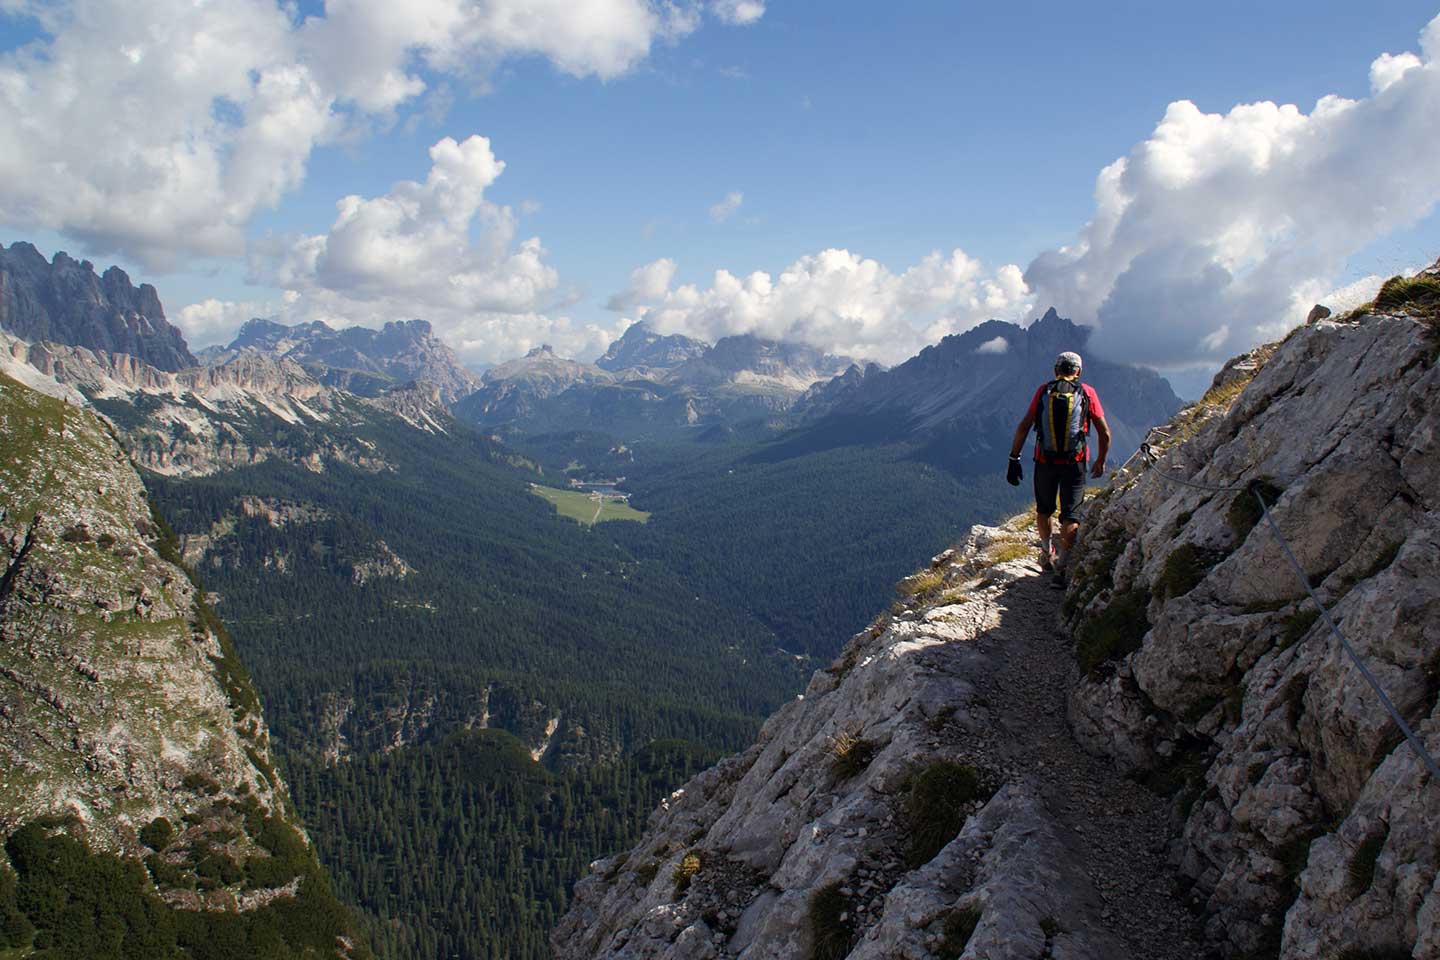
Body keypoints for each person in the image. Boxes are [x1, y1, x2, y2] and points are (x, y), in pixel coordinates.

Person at [1005, 351, 1110, 585]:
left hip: (1045, 461)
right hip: (1075, 463)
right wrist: (1101, 460)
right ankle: (1063, 566)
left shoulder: (1044, 391)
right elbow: (1105, 432)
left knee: (1044, 510)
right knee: (1070, 515)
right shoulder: (1087, 393)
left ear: (1055, 370)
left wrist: (1014, 458)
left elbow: (1024, 426)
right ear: (1078, 372)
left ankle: (1046, 553)